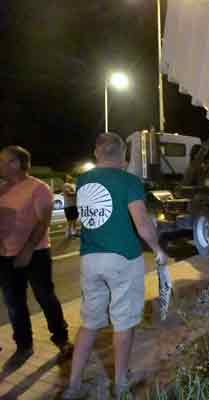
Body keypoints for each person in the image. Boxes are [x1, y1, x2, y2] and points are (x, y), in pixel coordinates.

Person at [62, 133, 168, 400]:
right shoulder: (129, 181)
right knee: (124, 323)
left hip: (90, 259)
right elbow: (143, 225)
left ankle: (73, 385)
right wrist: (158, 250)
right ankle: (120, 384)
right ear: (123, 155)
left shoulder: (83, 181)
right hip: (122, 258)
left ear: (97, 153)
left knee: (90, 323)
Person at [0, 146, 71, 367]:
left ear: (16, 163)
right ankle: (24, 345)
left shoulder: (38, 188)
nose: (0, 165)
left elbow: (43, 222)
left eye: (3, 161)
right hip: (5, 255)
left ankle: (62, 339)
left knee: (45, 298)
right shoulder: (1, 190)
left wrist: (27, 250)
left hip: (35, 253)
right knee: (14, 303)